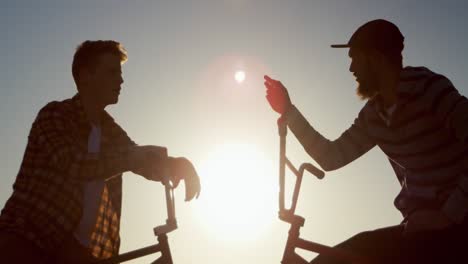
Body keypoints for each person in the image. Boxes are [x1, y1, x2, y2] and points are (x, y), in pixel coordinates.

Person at [264, 19, 468, 263]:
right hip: (418, 227)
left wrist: (449, 214)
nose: (351, 69)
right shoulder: (374, 115)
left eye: (354, 58)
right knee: (336, 258)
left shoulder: (428, 88)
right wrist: (289, 112)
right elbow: (332, 156)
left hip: (457, 226)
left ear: (375, 57)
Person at [0, 40, 201, 264]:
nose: (121, 79)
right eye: (112, 72)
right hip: (26, 241)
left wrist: (177, 165)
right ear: (85, 75)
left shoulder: (110, 131)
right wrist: (132, 158)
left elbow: (141, 160)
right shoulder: (55, 115)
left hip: (72, 249)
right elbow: (74, 165)